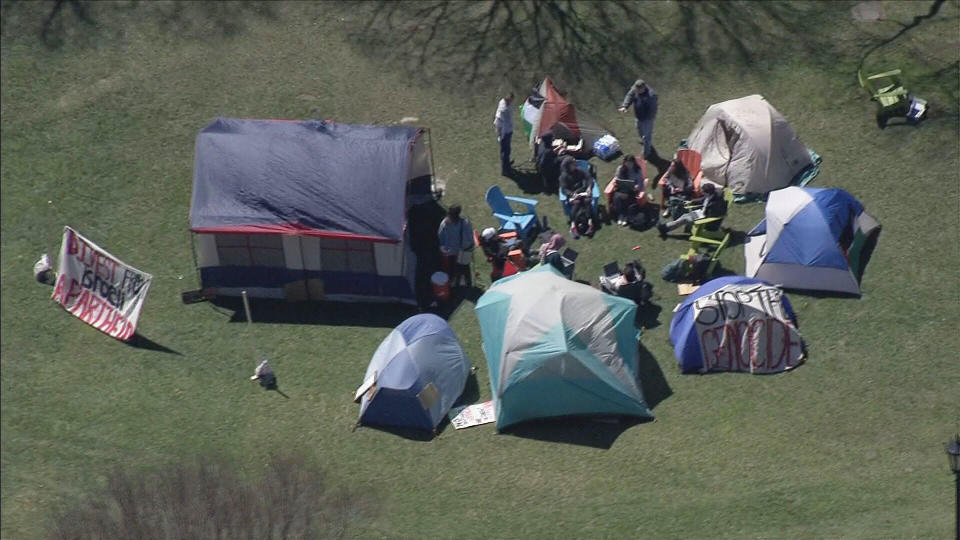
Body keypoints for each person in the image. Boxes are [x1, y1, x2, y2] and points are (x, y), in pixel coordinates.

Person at [618, 79, 666, 168]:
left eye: (638, 90)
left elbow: (652, 110)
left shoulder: (651, 96)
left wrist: (646, 119)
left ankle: (646, 152)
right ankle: (645, 143)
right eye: (635, 89)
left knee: (646, 136)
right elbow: (630, 95)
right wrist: (625, 106)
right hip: (638, 117)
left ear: (643, 88)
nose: (636, 91)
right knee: (640, 131)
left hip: (647, 119)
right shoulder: (635, 89)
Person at [657, 182, 726, 236]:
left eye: (703, 192)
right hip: (702, 213)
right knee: (685, 216)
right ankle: (665, 228)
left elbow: (712, 215)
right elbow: (703, 199)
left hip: (707, 221)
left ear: (708, 193)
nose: (702, 193)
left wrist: (700, 216)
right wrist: (691, 201)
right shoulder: (711, 195)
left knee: (685, 218)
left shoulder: (715, 203)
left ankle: (664, 228)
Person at [437, 205, 475, 287]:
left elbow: (441, 239)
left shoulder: (445, 224)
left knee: (460, 269)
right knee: (460, 269)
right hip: (457, 252)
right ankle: (460, 284)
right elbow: (469, 239)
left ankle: (459, 285)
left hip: (456, 252)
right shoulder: (464, 223)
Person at [559, 156, 594, 238]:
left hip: (582, 192)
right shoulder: (564, 176)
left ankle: (590, 222)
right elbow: (564, 189)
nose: (575, 164)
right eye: (573, 163)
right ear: (569, 165)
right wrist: (572, 194)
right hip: (573, 195)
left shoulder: (579, 170)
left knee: (587, 200)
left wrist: (589, 188)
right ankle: (573, 224)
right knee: (576, 203)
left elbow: (589, 178)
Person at [611, 154, 647, 226]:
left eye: (630, 163)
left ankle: (625, 216)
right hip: (621, 189)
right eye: (627, 163)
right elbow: (616, 178)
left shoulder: (637, 170)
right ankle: (621, 215)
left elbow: (640, 181)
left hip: (632, 190)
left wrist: (637, 186)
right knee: (618, 196)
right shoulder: (620, 169)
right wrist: (616, 182)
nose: (629, 165)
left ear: (633, 163)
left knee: (624, 197)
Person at [493, 92, 514, 176]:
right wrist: (500, 135)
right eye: (510, 100)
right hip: (504, 133)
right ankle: (505, 170)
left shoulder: (508, 105)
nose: (511, 102)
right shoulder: (503, 111)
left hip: (508, 130)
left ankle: (507, 164)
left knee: (508, 150)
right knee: (504, 152)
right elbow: (498, 123)